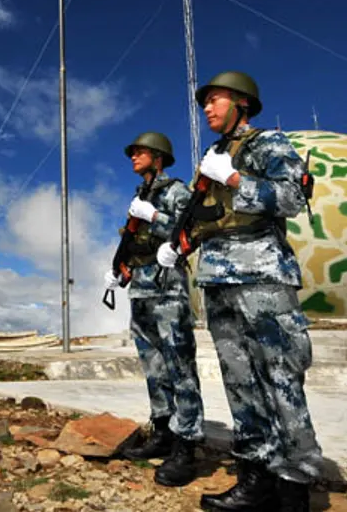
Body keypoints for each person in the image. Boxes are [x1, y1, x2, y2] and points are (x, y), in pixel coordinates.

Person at [155, 71, 324, 512]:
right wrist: (177, 245)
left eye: (216, 100)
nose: (207, 108)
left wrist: (233, 180)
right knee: (239, 382)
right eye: (204, 102)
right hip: (217, 278)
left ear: (241, 103)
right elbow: (205, 218)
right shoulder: (212, 156)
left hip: (262, 274)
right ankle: (256, 477)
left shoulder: (267, 144)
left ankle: (294, 485)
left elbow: (292, 199)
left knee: (281, 379)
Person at [104, 131, 205, 487]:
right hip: (142, 287)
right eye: (132, 152)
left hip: (167, 285)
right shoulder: (140, 195)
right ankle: (162, 430)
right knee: (153, 366)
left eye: (141, 152)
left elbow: (192, 228)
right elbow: (136, 238)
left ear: (158, 157)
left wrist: (156, 216)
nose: (133, 157)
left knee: (179, 365)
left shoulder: (175, 191)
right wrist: (121, 268)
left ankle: (187, 444)